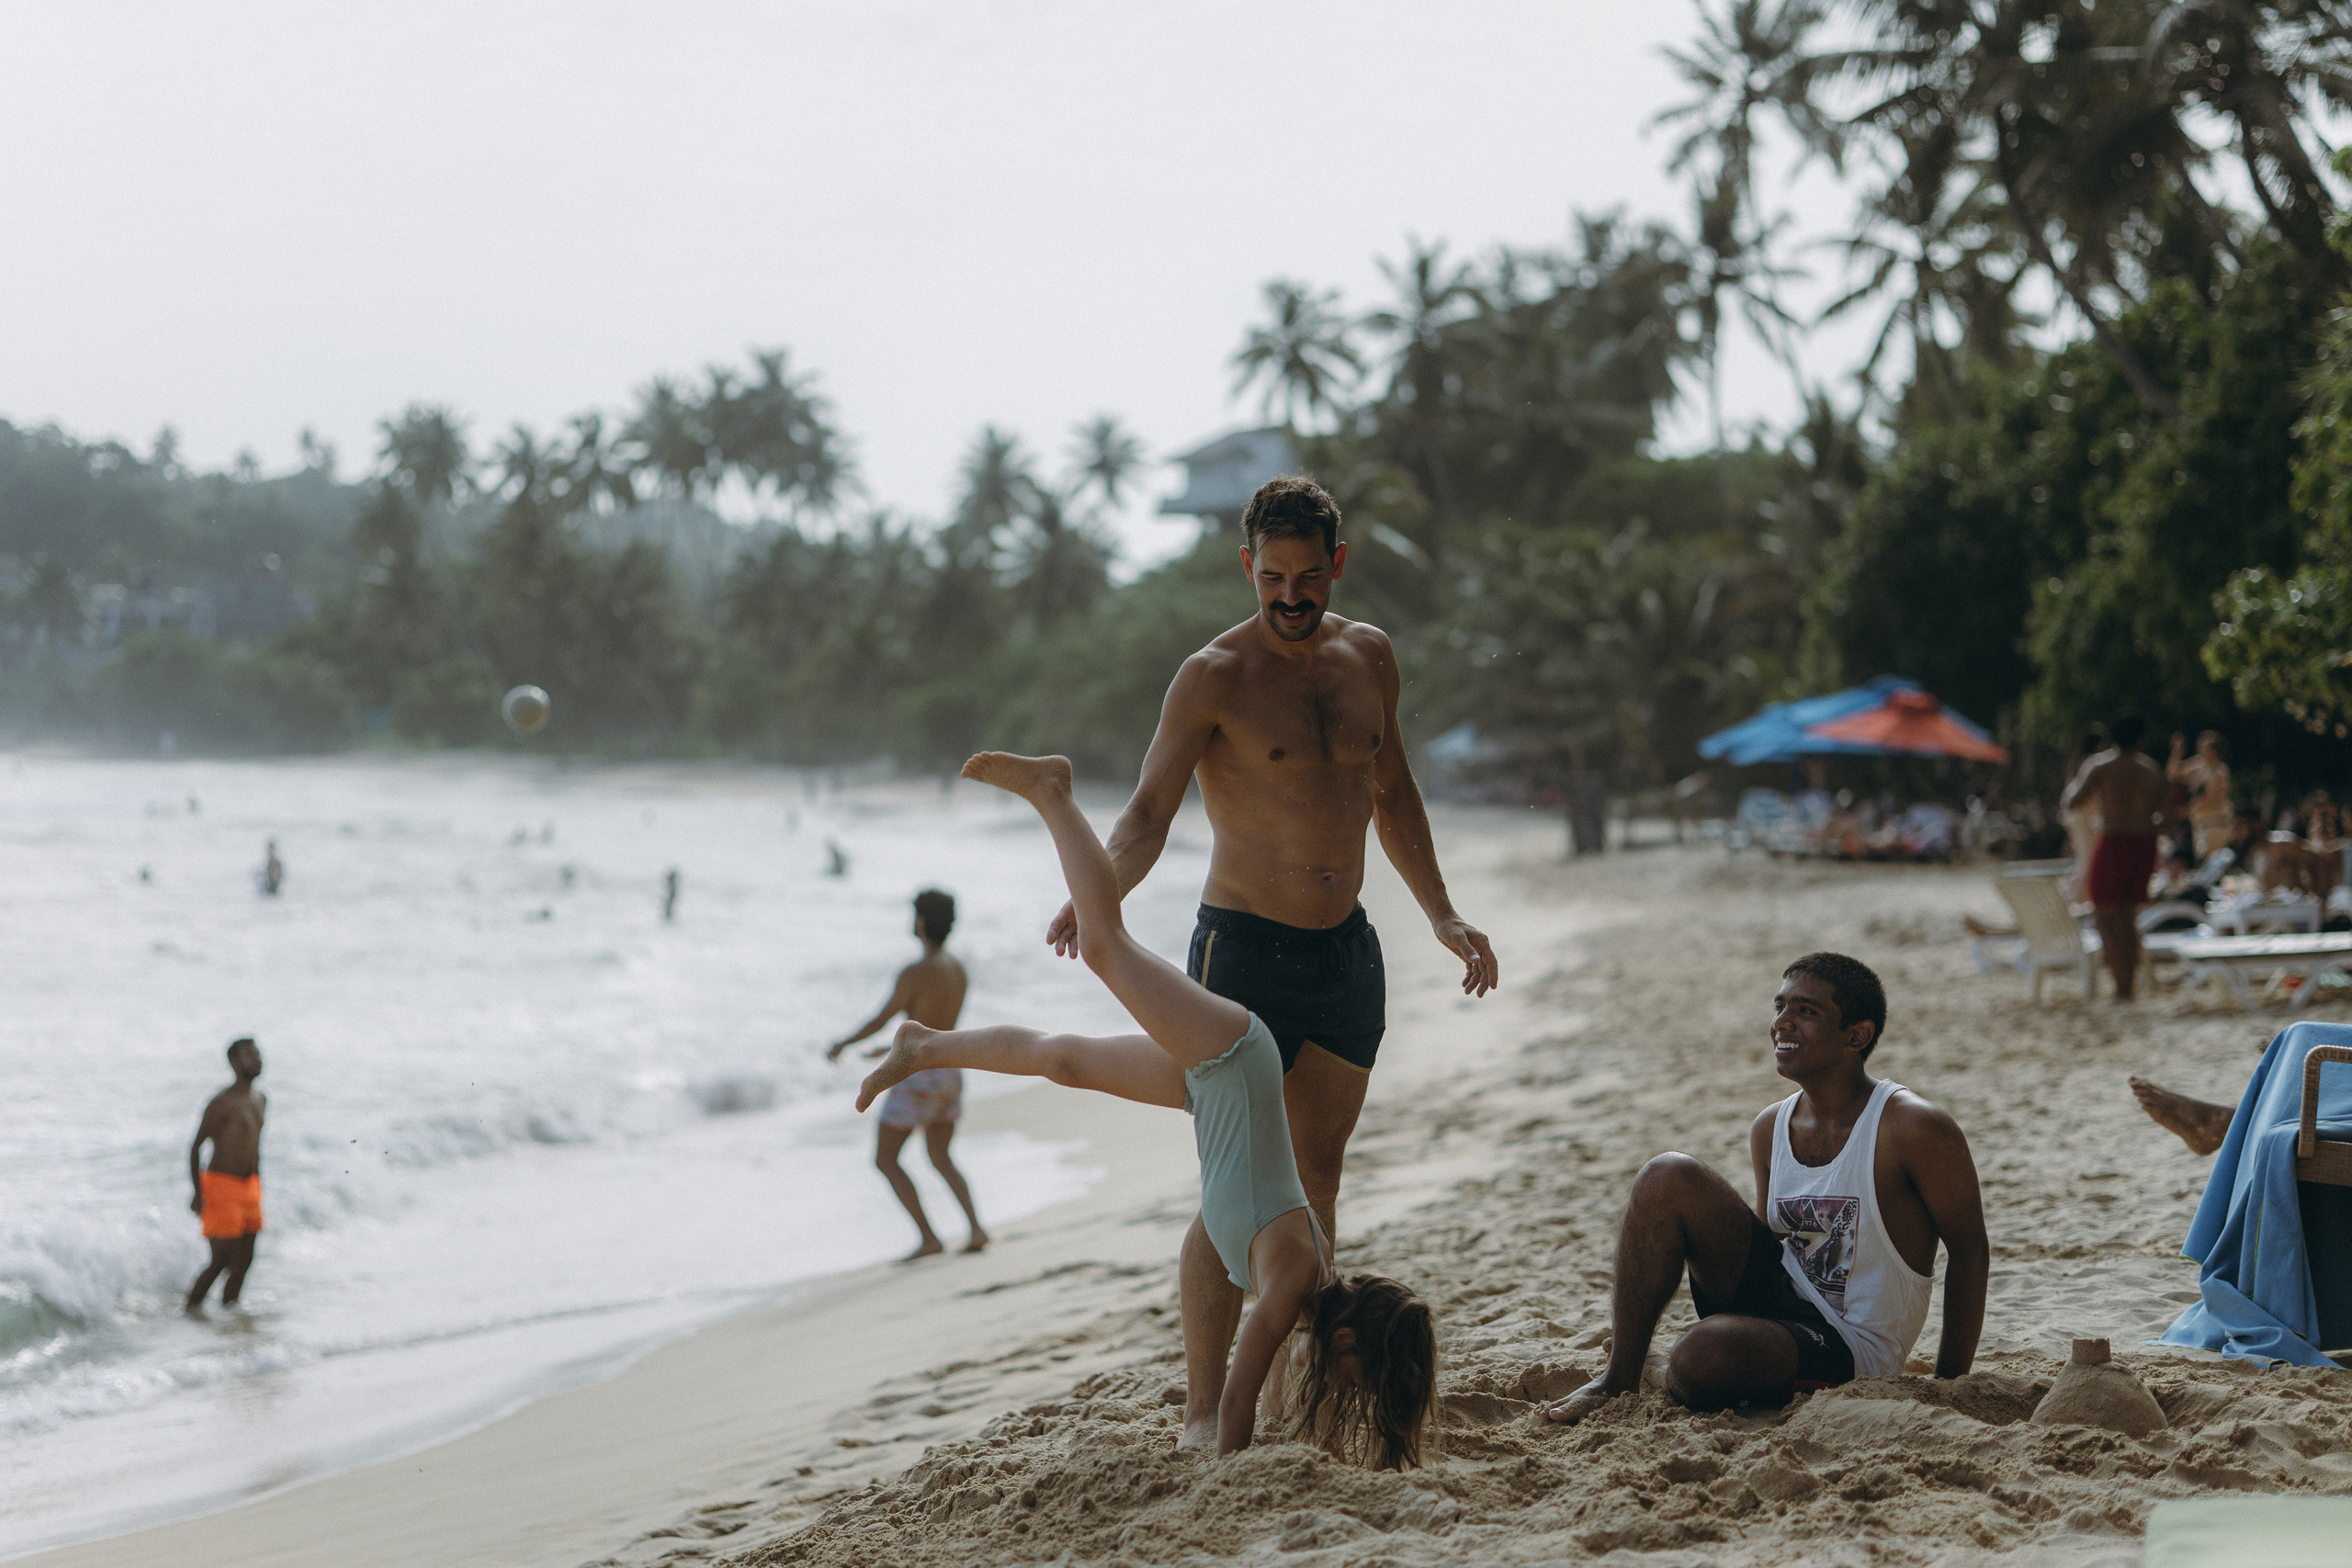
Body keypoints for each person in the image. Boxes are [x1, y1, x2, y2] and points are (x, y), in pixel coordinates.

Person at [1038, 475, 1493, 1445]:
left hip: (1346, 953)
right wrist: (1096, 901)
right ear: (1248, 567)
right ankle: (1207, 1413)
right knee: (1234, 1191)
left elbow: (1395, 792)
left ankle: (1294, 1398)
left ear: (1336, 563)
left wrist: (1444, 915)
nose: (1290, 597)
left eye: (1306, 576)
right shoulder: (1213, 676)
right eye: (1270, 577)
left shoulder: (1369, 656)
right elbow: (1147, 814)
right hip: (1242, 950)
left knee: (1315, 1178)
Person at [862, 752, 1439, 1464]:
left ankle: (925, 1046)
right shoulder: (1293, 1282)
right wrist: (1229, 1470)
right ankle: (1054, 792)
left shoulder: (1306, 1302)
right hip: (1233, 1058)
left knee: (1062, 1059)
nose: (1353, 1394)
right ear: (1347, 1340)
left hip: (1222, 1085)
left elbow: (1273, 1393)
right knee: (1103, 944)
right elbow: (1239, 1395)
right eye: (1361, 1382)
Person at [1542, 954, 1987, 1425]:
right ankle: (1619, 1379)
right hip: (1781, 1304)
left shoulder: (1914, 1127)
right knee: (1666, 1174)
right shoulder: (1771, 1125)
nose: (1781, 1023)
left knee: (1703, 1353)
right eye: (1780, 1006)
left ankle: (1675, 1366)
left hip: (1852, 1348)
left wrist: (1948, 1385)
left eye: (1806, 1011)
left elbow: (1970, 1251)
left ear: (1857, 1035)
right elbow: (1768, 1246)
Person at [828, 889, 987, 1259]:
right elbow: (936, 1028)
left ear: (920, 921)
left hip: (917, 1077)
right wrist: (889, 1049)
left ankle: (929, 1238)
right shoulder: (957, 969)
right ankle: (976, 1229)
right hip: (949, 1071)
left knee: (886, 1159)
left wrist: (843, 1044)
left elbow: (881, 1019)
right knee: (942, 1158)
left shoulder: (916, 972)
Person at [2061, 715, 2167, 1000]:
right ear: (2141, 739)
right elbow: (2167, 816)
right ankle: (2128, 986)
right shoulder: (2151, 770)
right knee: (2128, 915)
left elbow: (2071, 800)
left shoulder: (2100, 766)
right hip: (2144, 841)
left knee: (2105, 913)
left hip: (2113, 838)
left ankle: (2120, 987)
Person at [186, 1038, 267, 1315]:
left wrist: (258, 1183)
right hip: (221, 1185)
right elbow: (196, 1147)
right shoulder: (222, 1102)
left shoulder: (260, 1100)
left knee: (245, 1259)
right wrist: (198, 1192)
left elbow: (254, 1146)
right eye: (248, 1055)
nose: (256, 1059)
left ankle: (230, 1312)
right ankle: (191, 1308)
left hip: (250, 1187)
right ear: (233, 1062)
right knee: (220, 1258)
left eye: (257, 1054)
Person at [2167, 732, 2234, 861]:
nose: (2201, 749)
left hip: (2215, 825)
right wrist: (2176, 752)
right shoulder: (2198, 764)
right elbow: (2173, 775)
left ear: (2214, 750)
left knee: (2211, 864)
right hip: (2199, 825)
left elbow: (2210, 798)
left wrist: (2185, 810)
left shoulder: (2220, 770)